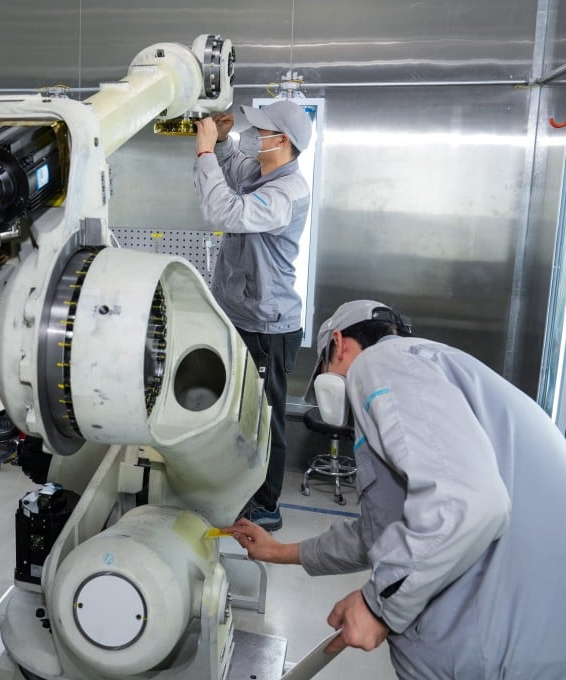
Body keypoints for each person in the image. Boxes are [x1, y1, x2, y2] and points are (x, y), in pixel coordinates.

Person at [229, 299, 566, 679]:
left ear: (338, 344)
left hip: (503, 649)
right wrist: (279, 552)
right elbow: (383, 531)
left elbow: (469, 503)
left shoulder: (382, 364)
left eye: (325, 368)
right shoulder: (429, 371)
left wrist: (377, 607)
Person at [193, 99, 313, 531]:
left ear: (281, 140)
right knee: (236, 410)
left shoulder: (287, 192)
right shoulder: (260, 171)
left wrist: (204, 151)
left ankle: (267, 504)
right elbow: (231, 170)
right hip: (238, 315)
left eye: (259, 129)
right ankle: (234, 486)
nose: (252, 133)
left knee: (266, 415)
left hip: (268, 325)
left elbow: (224, 211)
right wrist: (222, 141)